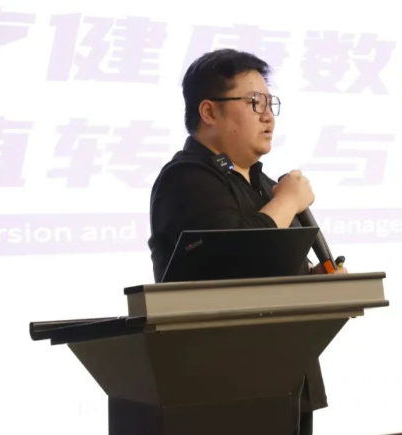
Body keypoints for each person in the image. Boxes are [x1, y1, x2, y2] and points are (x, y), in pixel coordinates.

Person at [148, 48, 347, 434]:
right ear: (209, 112)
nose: (268, 116)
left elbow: (271, 273)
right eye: (254, 102)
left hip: (288, 379)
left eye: (270, 104)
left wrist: (318, 282)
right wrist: (288, 202)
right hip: (220, 388)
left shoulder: (266, 186)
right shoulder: (187, 179)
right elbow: (236, 255)